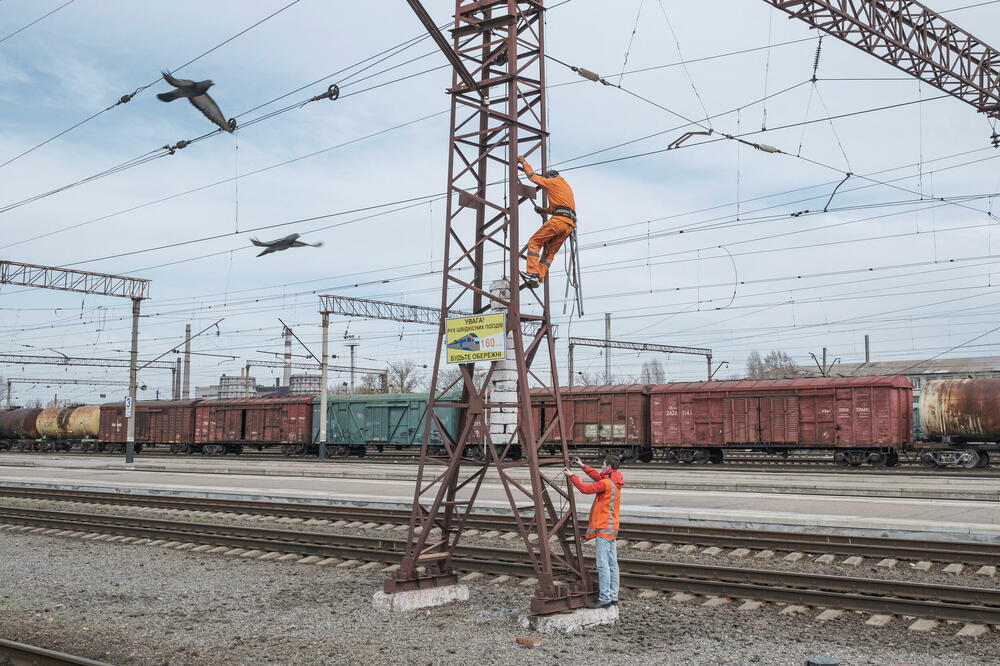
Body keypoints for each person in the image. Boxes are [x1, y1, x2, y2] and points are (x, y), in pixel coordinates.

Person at [563, 454, 623, 609]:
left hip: (603, 527)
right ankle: (613, 596)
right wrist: (582, 465)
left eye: (603, 464)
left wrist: (571, 476)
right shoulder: (614, 480)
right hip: (611, 527)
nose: (601, 467)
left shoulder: (606, 483)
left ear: (608, 466)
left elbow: (585, 489)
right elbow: (597, 476)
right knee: (612, 564)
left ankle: (605, 598)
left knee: (602, 564)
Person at [516, 155, 576, 289]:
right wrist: (543, 210)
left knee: (534, 242)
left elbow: (532, 177)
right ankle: (539, 277)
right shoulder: (566, 187)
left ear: (550, 177)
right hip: (568, 225)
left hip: (558, 221)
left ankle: (532, 273)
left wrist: (523, 162)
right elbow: (557, 208)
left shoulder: (552, 182)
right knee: (549, 253)